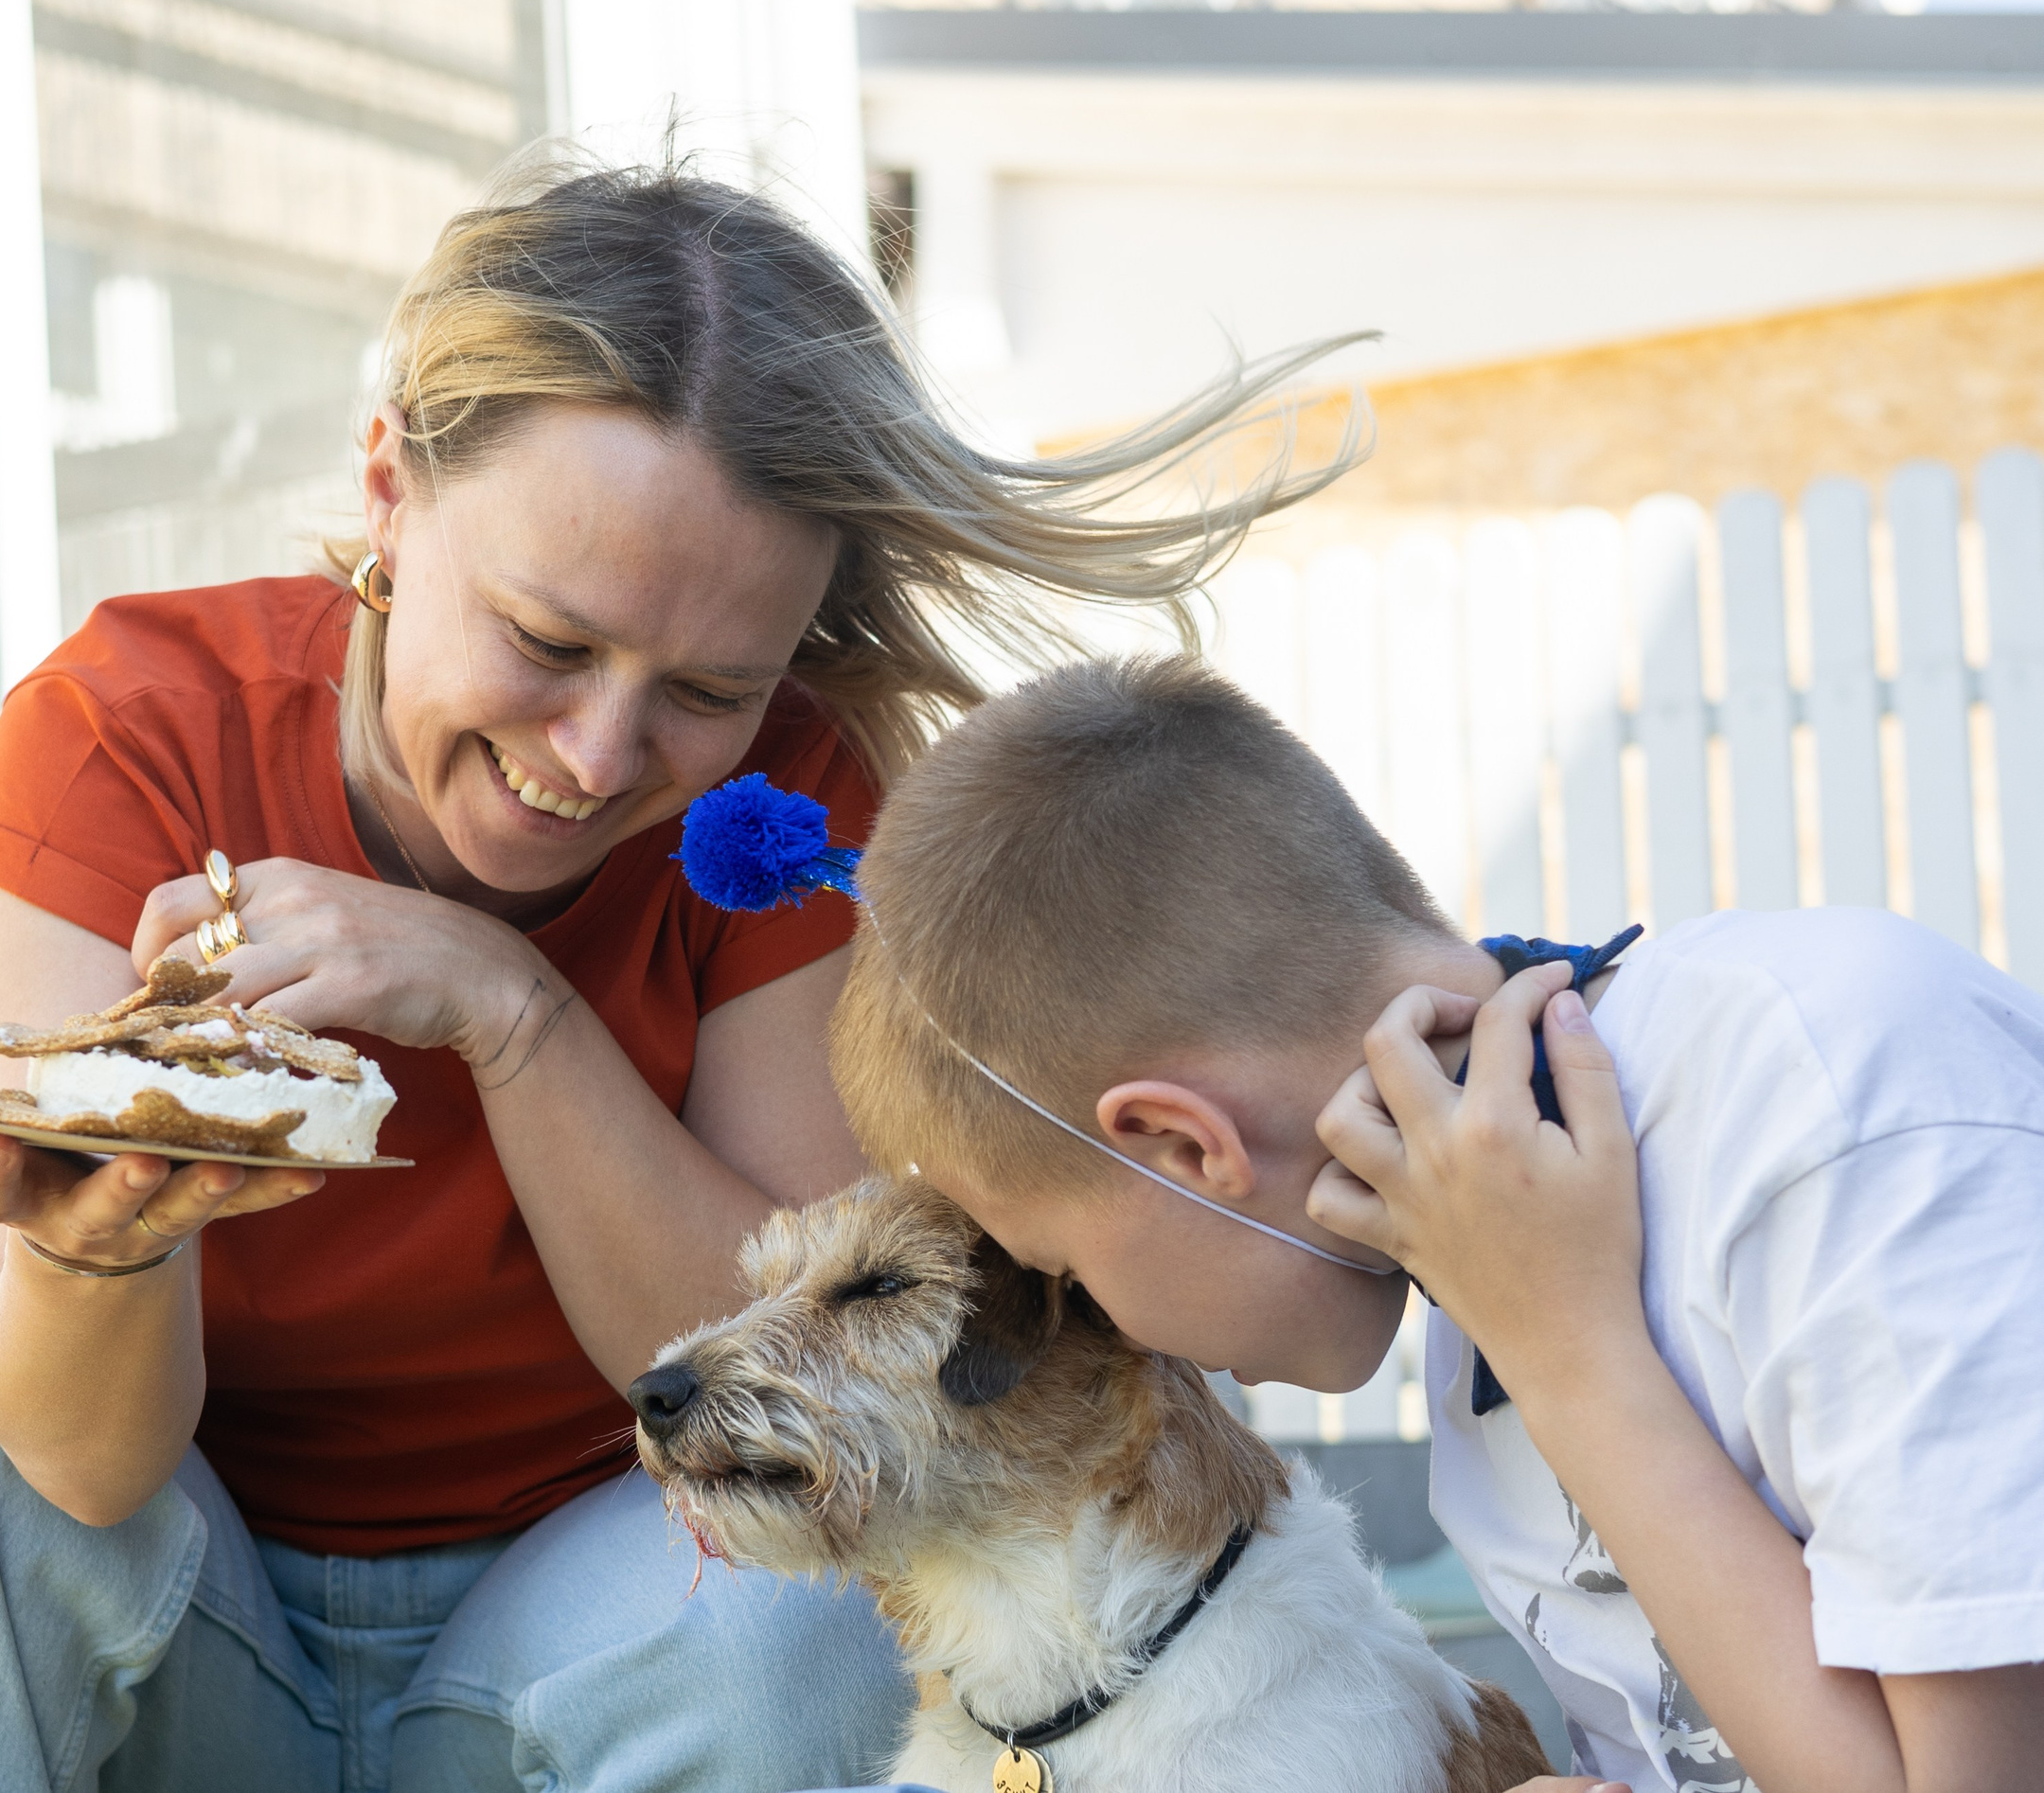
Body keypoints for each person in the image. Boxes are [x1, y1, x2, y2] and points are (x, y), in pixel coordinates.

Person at [0, 158, 1348, 1793]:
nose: (597, 752)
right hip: (166, 1640)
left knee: (819, 1590)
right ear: (389, 490)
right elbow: (77, 1466)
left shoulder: (781, 811)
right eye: (549, 639)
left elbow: (774, 1372)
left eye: (708, 686)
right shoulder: (131, 733)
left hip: (589, 1663)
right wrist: (90, 1257)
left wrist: (510, 1007)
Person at [826, 655, 2044, 1793]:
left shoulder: (1842, 1087)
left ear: (1188, 1144)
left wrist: (1572, 1350)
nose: (1117, 1328)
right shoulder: (1471, 1317)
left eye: (1068, 1270)